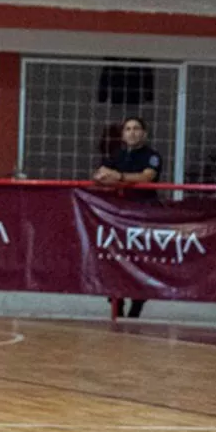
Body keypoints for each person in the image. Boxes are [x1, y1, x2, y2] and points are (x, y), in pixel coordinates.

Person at [92, 115, 163, 319]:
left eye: (136, 128)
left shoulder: (151, 156)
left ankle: (137, 304)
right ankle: (117, 302)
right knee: (114, 258)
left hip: (143, 214)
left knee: (140, 260)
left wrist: (120, 177)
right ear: (123, 134)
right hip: (116, 216)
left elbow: (147, 177)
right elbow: (99, 176)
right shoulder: (117, 155)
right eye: (128, 129)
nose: (132, 132)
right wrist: (111, 178)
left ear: (144, 133)